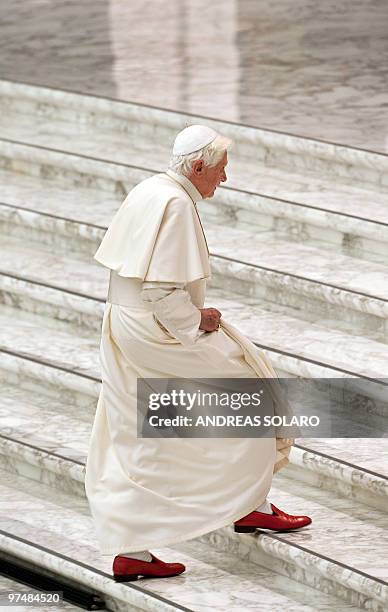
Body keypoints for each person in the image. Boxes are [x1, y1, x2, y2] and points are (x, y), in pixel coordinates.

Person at [85, 125, 312, 583]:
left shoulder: (153, 188)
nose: (224, 179)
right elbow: (161, 288)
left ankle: (137, 546)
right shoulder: (174, 202)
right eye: (222, 169)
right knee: (248, 393)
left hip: (127, 324)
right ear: (198, 166)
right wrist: (197, 320)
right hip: (156, 329)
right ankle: (249, 505)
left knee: (135, 430)